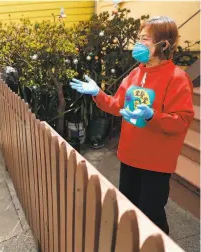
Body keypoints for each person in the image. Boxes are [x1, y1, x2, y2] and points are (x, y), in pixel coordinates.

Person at [70, 16, 194, 234]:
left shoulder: (177, 78)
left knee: (152, 214)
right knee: (130, 209)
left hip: (156, 162)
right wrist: (98, 94)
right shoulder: (137, 73)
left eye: (144, 39)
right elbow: (118, 105)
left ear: (163, 44)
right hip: (130, 156)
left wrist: (152, 116)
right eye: (138, 38)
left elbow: (181, 121)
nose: (138, 44)